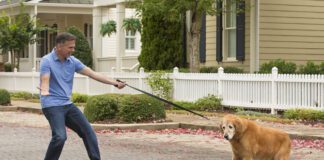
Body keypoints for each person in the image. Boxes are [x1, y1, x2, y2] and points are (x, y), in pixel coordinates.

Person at [39, 32, 125, 160]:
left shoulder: (72, 61)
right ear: (59, 46)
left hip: (67, 105)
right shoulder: (47, 61)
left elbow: (92, 74)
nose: (73, 50)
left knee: (88, 132)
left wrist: (114, 83)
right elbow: (45, 79)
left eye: (73, 47)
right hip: (52, 105)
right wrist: (44, 90)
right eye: (70, 47)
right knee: (60, 136)